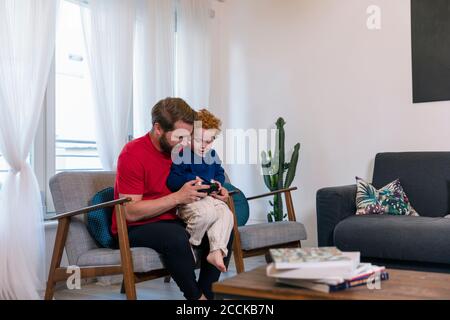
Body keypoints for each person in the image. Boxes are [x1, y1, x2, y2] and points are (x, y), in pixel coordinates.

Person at [112, 98, 233, 300]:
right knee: (176, 237)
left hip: (174, 219)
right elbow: (129, 212)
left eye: (189, 136)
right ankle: (197, 299)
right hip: (135, 226)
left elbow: (208, 175)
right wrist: (177, 197)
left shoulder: (184, 151)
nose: (185, 142)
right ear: (158, 128)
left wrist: (218, 191)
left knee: (222, 227)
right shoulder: (133, 153)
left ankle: (207, 296)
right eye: (180, 136)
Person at [167, 109, 234, 273]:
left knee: (226, 214)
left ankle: (216, 250)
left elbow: (219, 172)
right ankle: (189, 244)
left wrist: (219, 183)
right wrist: (189, 179)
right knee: (208, 213)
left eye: (209, 141)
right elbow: (172, 180)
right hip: (190, 201)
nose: (204, 146)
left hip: (210, 198)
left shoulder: (212, 155)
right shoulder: (182, 155)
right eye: (199, 140)